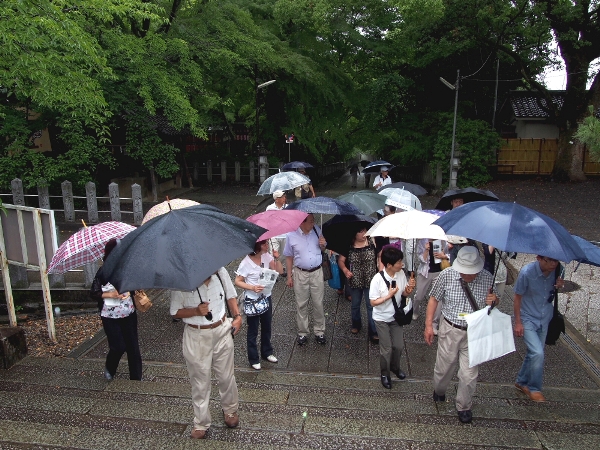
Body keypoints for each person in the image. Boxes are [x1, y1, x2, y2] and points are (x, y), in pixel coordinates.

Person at [424, 246, 498, 424]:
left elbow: (493, 306)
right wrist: (428, 325)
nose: (468, 275)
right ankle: (439, 390)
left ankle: (464, 405)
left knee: (469, 374)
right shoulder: (447, 275)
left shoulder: (487, 278)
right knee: (444, 368)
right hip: (450, 328)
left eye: (471, 272)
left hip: (474, 331)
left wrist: (494, 301)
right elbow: (434, 298)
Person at [170, 267, 243, 439]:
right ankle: (201, 422)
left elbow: (230, 295)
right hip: (196, 335)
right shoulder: (181, 280)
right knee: (200, 381)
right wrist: (195, 311)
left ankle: (230, 410)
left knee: (226, 376)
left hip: (222, 329)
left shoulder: (220, 272)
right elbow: (175, 311)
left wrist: (237, 316)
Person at [513, 255, 564, 403]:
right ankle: (534, 387)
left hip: (544, 317)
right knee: (537, 352)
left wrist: (560, 285)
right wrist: (518, 322)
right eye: (550, 260)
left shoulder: (559, 271)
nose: (554, 263)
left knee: (534, 353)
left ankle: (521, 381)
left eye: (556, 260)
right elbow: (517, 297)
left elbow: (551, 294)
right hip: (527, 316)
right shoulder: (527, 272)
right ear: (539, 258)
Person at [90, 238, 142, 381]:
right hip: (110, 315)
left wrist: (130, 290)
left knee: (133, 347)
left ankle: (136, 378)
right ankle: (110, 368)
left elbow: (135, 285)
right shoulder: (103, 271)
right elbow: (94, 292)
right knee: (118, 346)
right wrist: (110, 294)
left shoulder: (128, 268)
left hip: (128, 312)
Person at [369, 246, 416, 389]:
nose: (401, 264)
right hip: (381, 318)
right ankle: (385, 373)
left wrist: (408, 291)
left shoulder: (401, 273)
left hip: (396, 317)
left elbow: (402, 295)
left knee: (398, 346)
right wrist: (388, 295)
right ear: (389, 265)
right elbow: (373, 302)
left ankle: (395, 367)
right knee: (386, 348)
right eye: (399, 262)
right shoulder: (377, 280)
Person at [235, 240, 283, 370]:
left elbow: (280, 271)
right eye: (264, 244)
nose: (267, 246)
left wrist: (277, 258)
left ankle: (267, 351)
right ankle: (253, 358)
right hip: (252, 300)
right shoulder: (246, 262)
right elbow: (238, 281)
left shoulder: (267, 256)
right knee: (253, 329)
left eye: (267, 243)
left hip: (266, 297)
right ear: (257, 246)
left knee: (267, 326)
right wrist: (252, 287)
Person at [284, 213, 327, 345]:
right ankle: (303, 332)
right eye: (310, 221)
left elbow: (323, 248)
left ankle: (319, 331)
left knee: (318, 303)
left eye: (313, 220)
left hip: (317, 272)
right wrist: (289, 276)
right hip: (300, 273)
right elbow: (288, 256)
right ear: (301, 222)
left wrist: (323, 244)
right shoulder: (291, 236)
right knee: (301, 304)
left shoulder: (317, 230)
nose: (313, 223)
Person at [338, 227, 379, 343]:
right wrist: (345, 270)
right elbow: (341, 260)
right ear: (354, 234)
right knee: (355, 304)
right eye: (360, 232)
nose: (363, 234)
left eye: (365, 231)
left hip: (371, 279)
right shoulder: (349, 245)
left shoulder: (372, 241)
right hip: (355, 280)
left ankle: (374, 330)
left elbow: (379, 255)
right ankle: (356, 324)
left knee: (371, 306)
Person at [414, 238, 450, 326]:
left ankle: (434, 323)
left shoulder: (443, 241)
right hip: (425, 272)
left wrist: (444, 256)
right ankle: (415, 310)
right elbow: (421, 259)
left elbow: (449, 255)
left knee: (438, 298)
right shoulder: (422, 241)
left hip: (439, 273)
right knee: (419, 295)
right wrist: (426, 250)